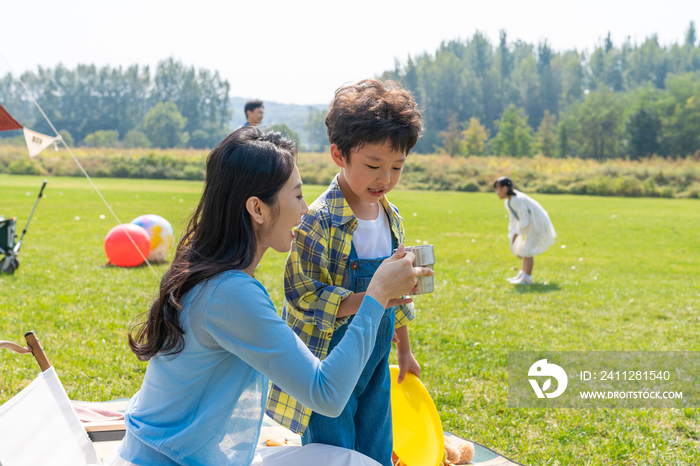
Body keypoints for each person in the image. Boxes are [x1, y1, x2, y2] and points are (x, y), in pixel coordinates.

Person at [105, 128, 432, 466]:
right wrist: (375, 295)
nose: (306, 210)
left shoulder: (212, 274)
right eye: (297, 195)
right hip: (166, 461)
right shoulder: (229, 294)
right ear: (257, 209)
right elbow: (327, 394)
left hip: (159, 454)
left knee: (338, 456)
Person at [266, 79, 424, 466]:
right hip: (327, 362)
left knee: (375, 443)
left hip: (376, 360)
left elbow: (398, 293)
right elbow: (302, 297)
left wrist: (404, 350)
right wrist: (372, 295)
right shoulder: (316, 221)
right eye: (373, 166)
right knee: (334, 453)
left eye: (397, 167)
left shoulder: (391, 216)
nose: (384, 179)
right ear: (339, 154)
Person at [493, 176, 556, 285]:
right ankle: (523, 274)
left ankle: (527, 277)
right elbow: (514, 219)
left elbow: (525, 220)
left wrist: (517, 234)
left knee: (527, 250)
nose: (496, 193)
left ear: (504, 189)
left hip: (537, 223)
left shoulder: (516, 200)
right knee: (525, 249)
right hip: (532, 224)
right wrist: (513, 232)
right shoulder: (510, 201)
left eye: (497, 189)